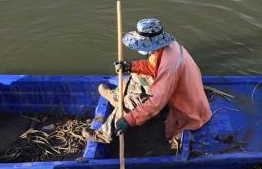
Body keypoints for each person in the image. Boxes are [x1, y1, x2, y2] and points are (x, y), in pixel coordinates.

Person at [88, 18, 212, 146]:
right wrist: (130, 66)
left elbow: (156, 102)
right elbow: (153, 67)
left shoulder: (169, 67)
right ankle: (116, 96)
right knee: (136, 75)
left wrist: (129, 120)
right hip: (183, 91)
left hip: (187, 109)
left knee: (134, 101)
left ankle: (104, 134)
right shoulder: (168, 46)